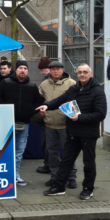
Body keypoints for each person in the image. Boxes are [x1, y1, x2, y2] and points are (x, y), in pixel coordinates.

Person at [38, 63, 107, 200]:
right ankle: (59, 187)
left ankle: (88, 189)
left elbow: (100, 114)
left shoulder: (97, 91)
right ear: (77, 74)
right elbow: (60, 100)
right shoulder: (73, 89)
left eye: (85, 72)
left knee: (88, 163)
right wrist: (46, 105)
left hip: (88, 134)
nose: (82, 74)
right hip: (73, 132)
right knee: (66, 161)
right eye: (80, 72)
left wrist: (79, 117)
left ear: (90, 74)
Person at [0, 60, 43, 186]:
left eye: (25, 68)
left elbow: (38, 101)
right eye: (20, 68)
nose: (23, 70)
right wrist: (8, 108)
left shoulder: (32, 86)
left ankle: (15, 175)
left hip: (24, 124)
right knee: (4, 150)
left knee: (19, 152)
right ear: (16, 69)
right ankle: (2, 176)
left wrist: (30, 112)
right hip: (7, 123)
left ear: (27, 71)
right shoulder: (6, 83)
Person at [38, 60, 78, 189]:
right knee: (52, 153)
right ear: (49, 71)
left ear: (62, 70)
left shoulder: (72, 83)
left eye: (58, 69)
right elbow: (39, 100)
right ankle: (54, 177)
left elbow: (77, 102)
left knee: (69, 153)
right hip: (49, 124)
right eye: (53, 69)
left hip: (66, 125)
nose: (55, 71)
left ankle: (71, 177)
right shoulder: (44, 84)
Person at [36, 56, 52, 174]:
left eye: (44, 69)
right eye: (41, 70)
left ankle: (48, 165)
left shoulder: (47, 81)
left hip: (48, 117)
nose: (42, 72)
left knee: (47, 143)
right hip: (50, 116)